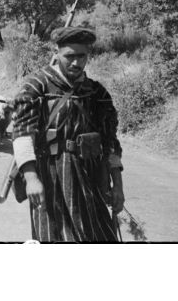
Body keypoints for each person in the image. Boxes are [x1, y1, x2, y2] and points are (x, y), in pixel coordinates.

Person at [11, 26, 125, 242]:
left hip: (92, 176)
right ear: (56, 53)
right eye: (69, 56)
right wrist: (31, 178)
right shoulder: (36, 87)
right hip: (52, 176)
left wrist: (117, 185)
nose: (76, 62)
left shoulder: (97, 92)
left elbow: (111, 142)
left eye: (81, 56)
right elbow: (22, 135)